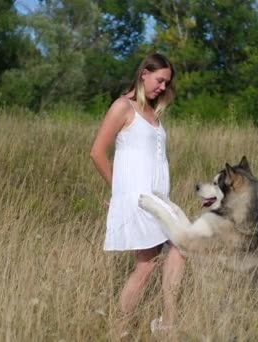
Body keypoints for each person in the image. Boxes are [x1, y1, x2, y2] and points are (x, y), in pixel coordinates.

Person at [89, 53, 185, 337]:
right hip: (138, 199)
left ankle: (151, 325)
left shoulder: (152, 113)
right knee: (160, 258)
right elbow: (97, 153)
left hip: (157, 199)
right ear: (144, 73)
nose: (163, 87)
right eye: (159, 80)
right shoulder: (123, 106)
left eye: (167, 83)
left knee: (163, 257)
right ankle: (142, 327)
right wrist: (118, 192)